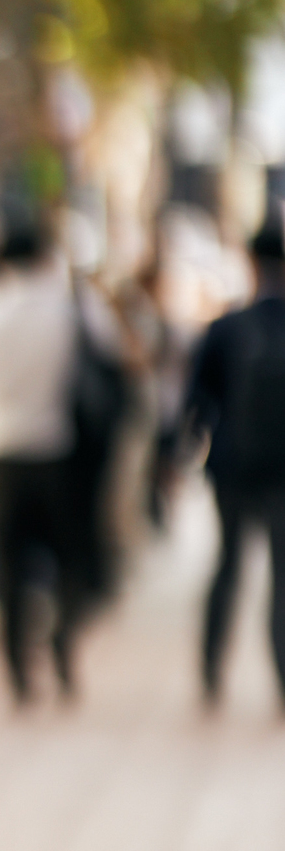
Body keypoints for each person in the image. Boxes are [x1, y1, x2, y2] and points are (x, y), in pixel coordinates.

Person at [0, 213, 121, 700]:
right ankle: (63, 648)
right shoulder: (67, 307)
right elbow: (113, 356)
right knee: (69, 561)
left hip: (2, 452)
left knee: (9, 569)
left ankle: (18, 674)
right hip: (59, 453)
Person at [184, 211, 285, 708]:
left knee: (227, 567)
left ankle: (210, 671)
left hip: (231, 466)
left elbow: (197, 401)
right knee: (283, 577)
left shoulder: (227, 327)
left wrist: (179, 453)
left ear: (250, 261)